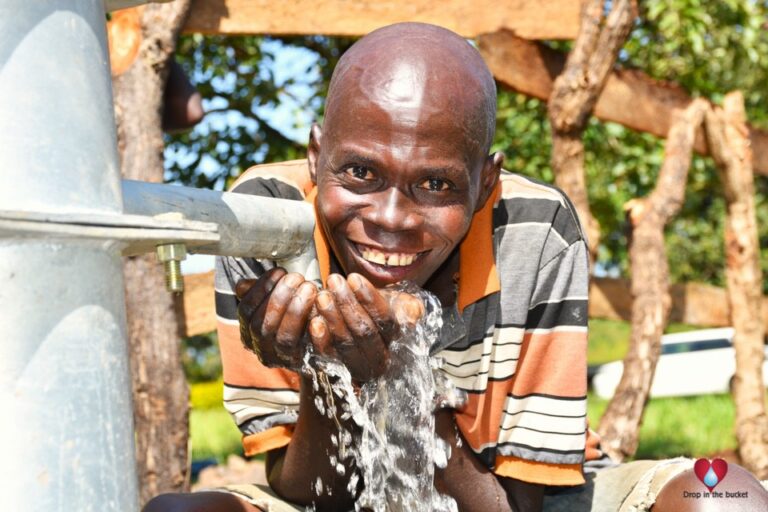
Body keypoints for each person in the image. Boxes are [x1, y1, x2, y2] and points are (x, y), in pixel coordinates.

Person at [146, 21, 593, 512]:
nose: (391, 219)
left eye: (436, 185)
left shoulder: (538, 232)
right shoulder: (261, 222)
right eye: (360, 173)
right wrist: (325, 370)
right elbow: (307, 494)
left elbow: (514, 506)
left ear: (486, 182)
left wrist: (399, 372)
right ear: (317, 156)